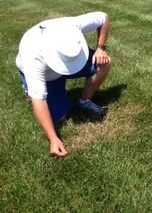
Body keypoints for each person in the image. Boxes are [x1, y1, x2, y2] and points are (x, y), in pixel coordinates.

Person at [16, 11, 111, 157]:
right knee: (58, 117)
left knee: (104, 63)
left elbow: (103, 17)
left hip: (67, 61)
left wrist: (100, 48)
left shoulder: (71, 26)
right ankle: (29, 88)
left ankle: (85, 100)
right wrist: (53, 138)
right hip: (48, 76)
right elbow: (39, 100)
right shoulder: (32, 57)